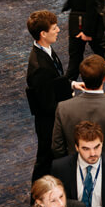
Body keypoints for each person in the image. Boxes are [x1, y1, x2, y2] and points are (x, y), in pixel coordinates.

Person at [25, 10, 70, 183]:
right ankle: (36, 198)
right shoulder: (39, 67)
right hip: (49, 125)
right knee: (45, 162)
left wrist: (70, 85)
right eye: (54, 28)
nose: (58, 30)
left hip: (53, 118)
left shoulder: (46, 50)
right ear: (43, 34)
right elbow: (47, 105)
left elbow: (54, 80)